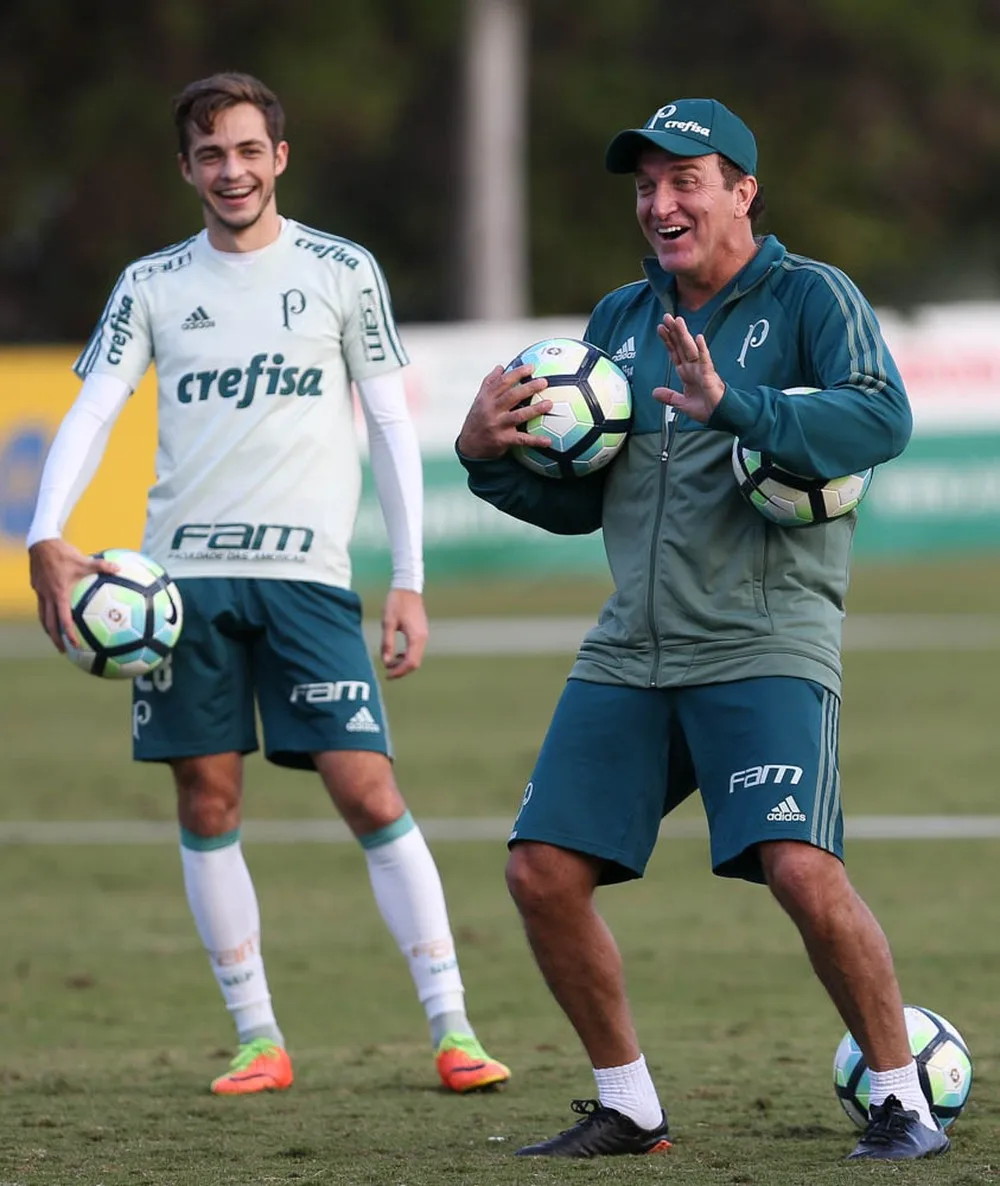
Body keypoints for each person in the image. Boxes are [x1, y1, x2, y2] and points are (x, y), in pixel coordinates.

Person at [456, 98, 947, 1161]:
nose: (660, 202)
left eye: (685, 179)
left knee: (798, 867)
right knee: (540, 869)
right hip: (632, 644)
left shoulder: (813, 296)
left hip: (764, 637)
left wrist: (737, 405)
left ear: (741, 191)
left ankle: (901, 1099)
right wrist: (487, 458)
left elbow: (881, 416)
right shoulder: (617, 321)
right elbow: (584, 499)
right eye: (645, 185)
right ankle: (628, 1103)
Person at [27, 71, 509, 1098]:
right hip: (182, 584)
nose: (231, 170)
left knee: (366, 785)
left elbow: (386, 426)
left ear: (278, 157)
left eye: (248, 150)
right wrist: (46, 533)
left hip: (307, 579)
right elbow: (94, 411)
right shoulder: (151, 283)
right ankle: (258, 1036)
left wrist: (409, 582)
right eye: (210, 155)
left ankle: (453, 1026)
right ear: (188, 168)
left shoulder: (342, 271)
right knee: (207, 797)